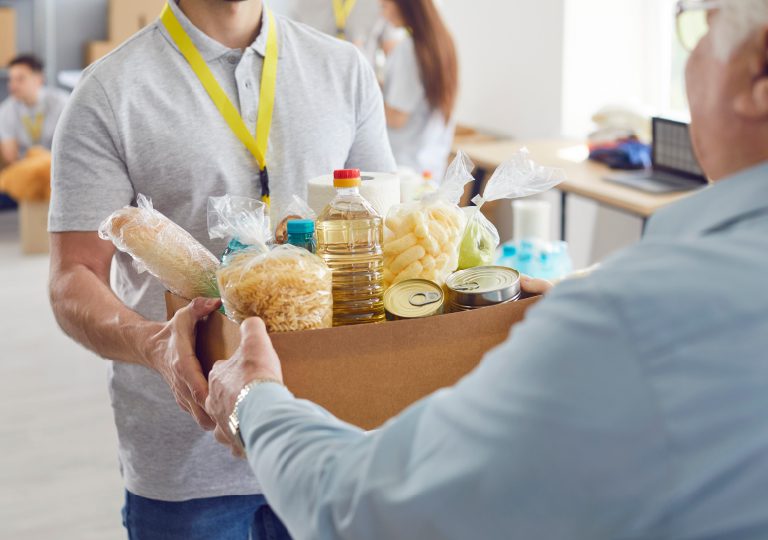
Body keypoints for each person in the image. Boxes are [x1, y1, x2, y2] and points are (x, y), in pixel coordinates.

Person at [204, 1, 768, 538]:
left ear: (758, 76)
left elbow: (365, 506)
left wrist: (255, 402)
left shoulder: (631, 319)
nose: (689, 58)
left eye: (699, 24)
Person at [48, 0, 395, 537]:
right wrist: (152, 343)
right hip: (188, 463)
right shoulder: (109, 91)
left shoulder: (343, 68)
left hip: (333, 444)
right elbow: (74, 276)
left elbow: (387, 237)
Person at [380, 0, 457, 181]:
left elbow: (396, 117)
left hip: (404, 168)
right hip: (429, 164)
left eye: (384, 5)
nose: (382, 14)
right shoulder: (441, 42)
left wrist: (364, 97)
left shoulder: (408, 49)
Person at [269, 0, 401, 65]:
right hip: (315, 88)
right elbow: (288, 49)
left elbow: (393, 53)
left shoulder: (384, 3)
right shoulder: (299, 3)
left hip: (364, 88)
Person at [0, 54, 68, 165]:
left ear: (39, 79)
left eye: (20, 79)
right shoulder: (5, 110)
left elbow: (71, 147)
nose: (13, 85)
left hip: (58, 166)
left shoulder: (62, 103)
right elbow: (10, 157)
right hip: (26, 168)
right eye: (11, 79)